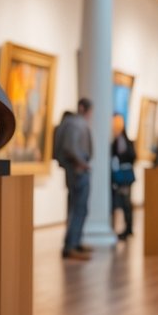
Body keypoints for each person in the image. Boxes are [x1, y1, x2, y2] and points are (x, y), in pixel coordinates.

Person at [53, 98, 93, 261]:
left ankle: (75, 242)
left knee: (78, 208)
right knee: (78, 209)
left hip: (77, 170)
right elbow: (69, 147)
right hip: (77, 172)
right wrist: (81, 164)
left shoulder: (72, 123)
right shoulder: (75, 124)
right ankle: (71, 246)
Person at [110, 114, 136, 242]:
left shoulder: (126, 142)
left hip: (125, 176)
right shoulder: (114, 142)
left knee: (126, 202)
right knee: (118, 202)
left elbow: (132, 156)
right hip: (118, 176)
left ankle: (129, 227)